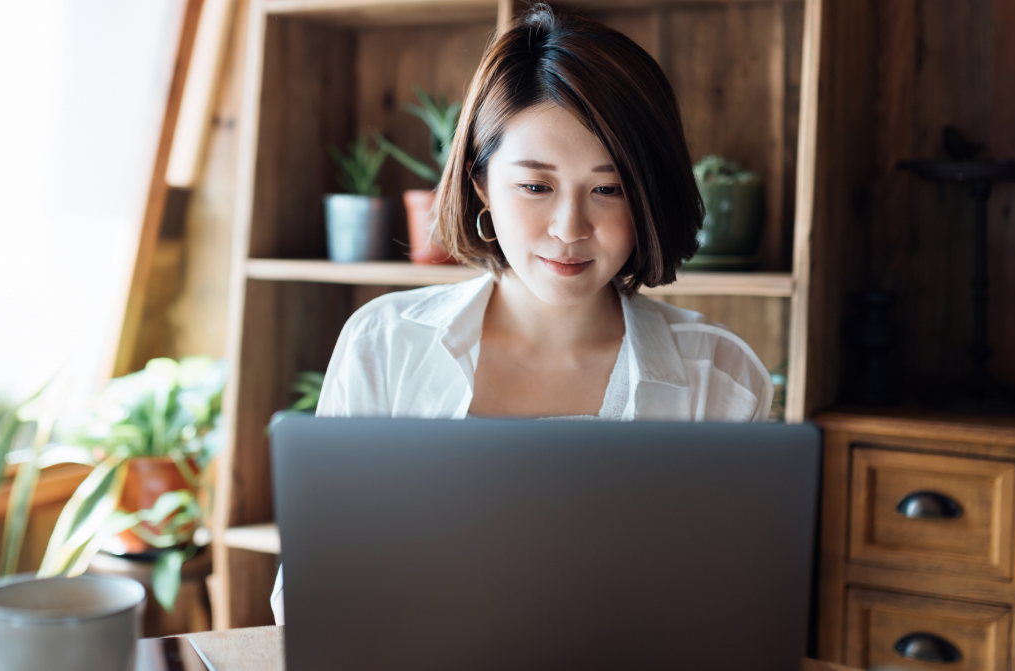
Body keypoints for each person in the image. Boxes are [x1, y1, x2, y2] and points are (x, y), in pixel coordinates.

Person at [271, 4, 773, 624]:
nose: (570, 229)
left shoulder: (719, 378)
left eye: (609, 188)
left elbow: (735, 617)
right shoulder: (387, 343)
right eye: (536, 187)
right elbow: (309, 597)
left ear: (649, 193)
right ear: (481, 182)